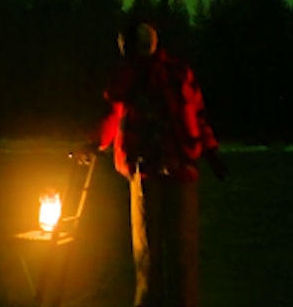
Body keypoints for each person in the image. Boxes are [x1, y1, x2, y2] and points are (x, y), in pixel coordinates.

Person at [85, 20, 226, 307]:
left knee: (180, 253)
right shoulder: (126, 76)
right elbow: (111, 114)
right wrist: (94, 143)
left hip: (180, 168)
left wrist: (211, 151)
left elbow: (197, 114)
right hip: (145, 170)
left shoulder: (178, 73)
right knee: (149, 256)